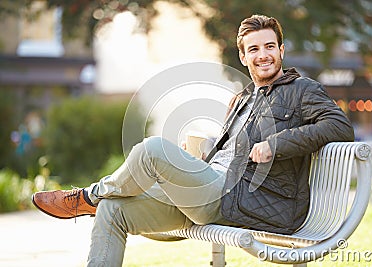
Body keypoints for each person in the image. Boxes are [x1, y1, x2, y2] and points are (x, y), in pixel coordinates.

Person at [32, 14, 354, 266]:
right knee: (112, 211)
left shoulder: (302, 91)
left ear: (281, 50)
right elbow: (231, 154)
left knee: (152, 149)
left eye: (270, 47)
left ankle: (89, 195)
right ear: (243, 57)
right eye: (254, 49)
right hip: (213, 191)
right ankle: (100, 201)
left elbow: (339, 127)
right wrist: (203, 153)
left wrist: (277, 144)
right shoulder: (243, 98)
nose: (263, 55)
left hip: (249, 202)